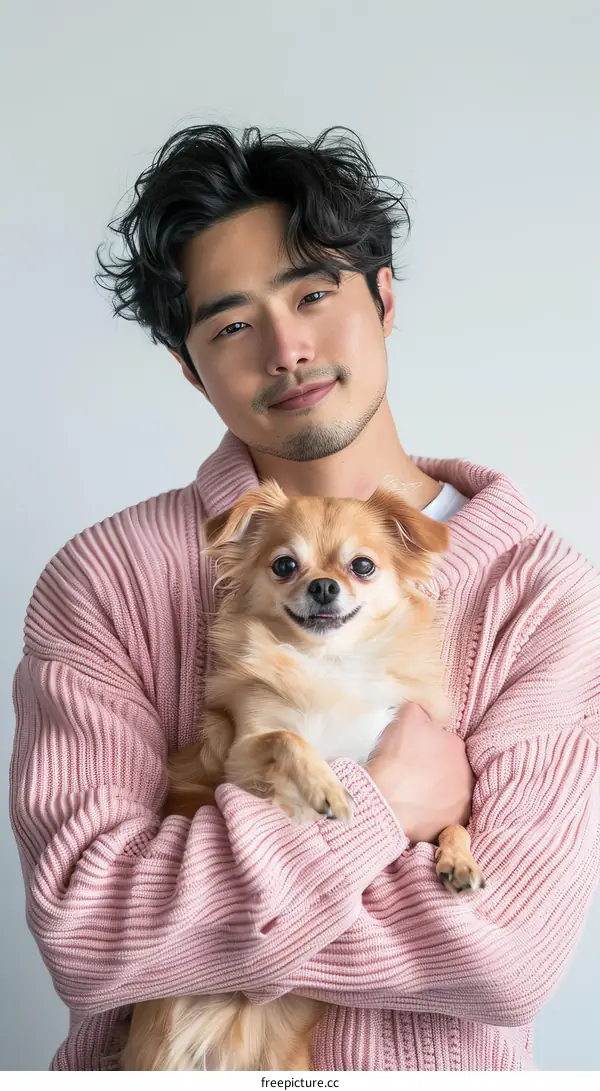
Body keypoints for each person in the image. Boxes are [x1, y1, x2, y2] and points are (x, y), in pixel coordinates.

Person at [10, 125, 600, 1072]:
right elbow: (87, 933)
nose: (286, 348)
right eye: (231, 326)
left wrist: (192, 924)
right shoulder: (105, 579)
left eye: (313, 294)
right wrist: (381, 806)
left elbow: (508, 958)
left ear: (385, 297)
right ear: (189, 366)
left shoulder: (542, 593)